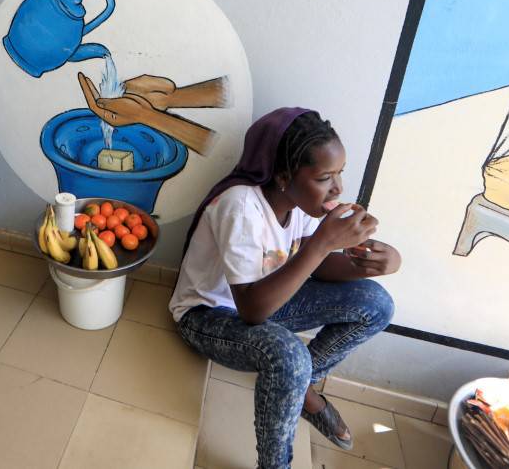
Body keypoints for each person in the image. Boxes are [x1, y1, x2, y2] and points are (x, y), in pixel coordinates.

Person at [169, 108, 400, 469]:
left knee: (376, 302)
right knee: (289, 355)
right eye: (325, 177)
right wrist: (321, 244)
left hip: (269, 296)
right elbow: (252, 310)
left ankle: (303, 387)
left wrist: (368, 264)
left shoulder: (305, 203)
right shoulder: (240, 207)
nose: (338, 188)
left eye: (340, 174)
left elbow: (318, 266)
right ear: (283, 176)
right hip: (208, 315)